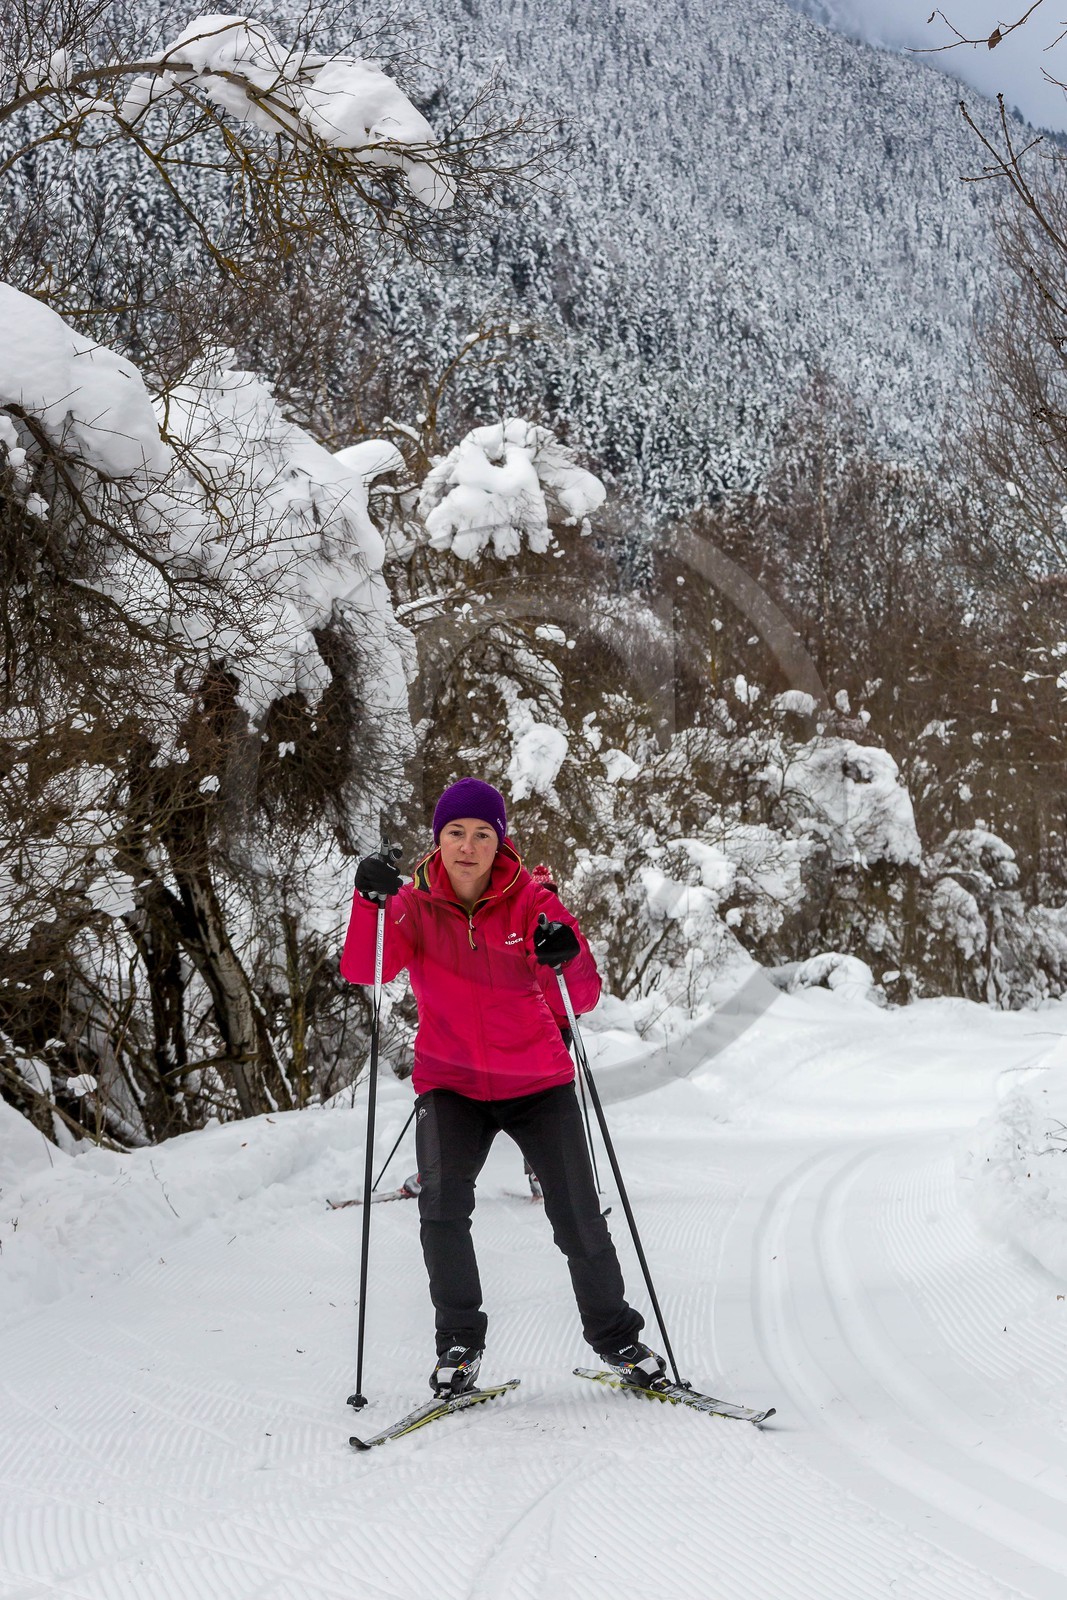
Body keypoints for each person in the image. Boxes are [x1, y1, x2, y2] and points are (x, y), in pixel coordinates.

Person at [339, 777, 665, 1397]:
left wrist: (565, 957)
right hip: (451, 1085)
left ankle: (618, 1339)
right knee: (440, 1210)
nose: (468, 845)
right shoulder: (410, 906)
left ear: (500, 843)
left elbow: (584, 994)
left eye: (482, 834)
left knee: (578, 1218)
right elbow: (366, 969)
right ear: (439, 840)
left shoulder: (532, 903)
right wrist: (369, 904)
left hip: (538, 1082)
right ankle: (459, 1343)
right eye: (456, 833)